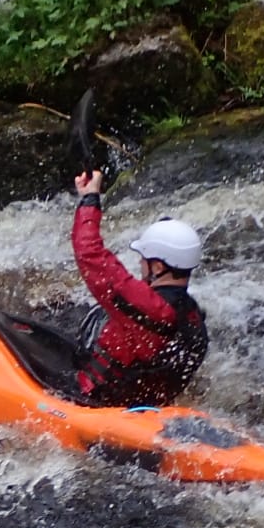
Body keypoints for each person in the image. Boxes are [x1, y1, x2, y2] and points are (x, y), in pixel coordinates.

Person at [62, 168, 207, 407]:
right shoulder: (193, 317)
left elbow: (90, 254)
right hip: (142, 407)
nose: (140, 263)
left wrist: (89, 199)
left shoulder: (150, 306)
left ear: (158, 267)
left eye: (144, 259)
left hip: (95, 400)